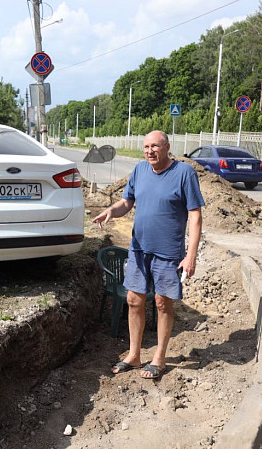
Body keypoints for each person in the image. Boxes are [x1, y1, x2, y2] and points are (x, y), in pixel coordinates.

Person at [92, 130, 204, 379]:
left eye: (154, 146)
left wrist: (191, 255)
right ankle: (133, 355)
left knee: (163, 303)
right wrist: (111, 210)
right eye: (146, 147)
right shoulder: (140, 170)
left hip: (168, 252)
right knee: (134, 300)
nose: (149, 151)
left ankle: (160, 358)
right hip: (139, 249)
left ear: (166, 147)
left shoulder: (184, 174)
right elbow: (126, 202)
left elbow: (195, 216)